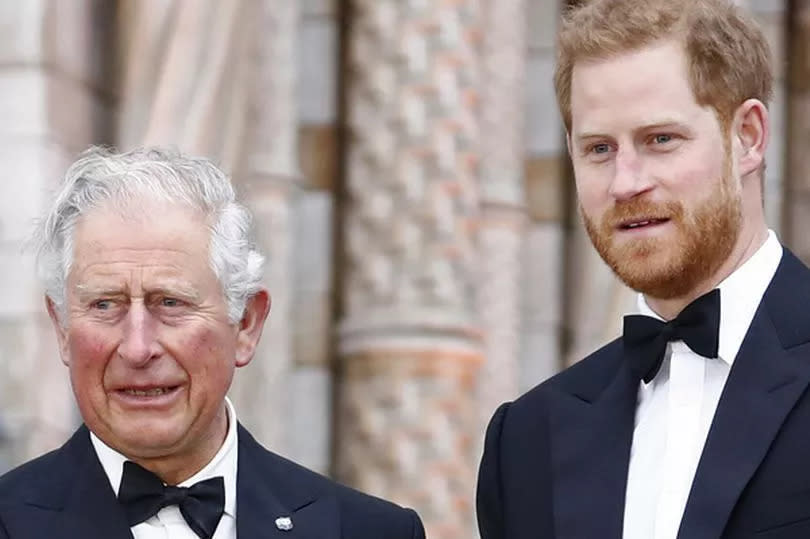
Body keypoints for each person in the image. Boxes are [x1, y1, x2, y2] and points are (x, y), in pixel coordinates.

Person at [477, 0, 810, 538]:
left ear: (747, 136)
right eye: (599, 148)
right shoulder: (526, 441)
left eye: (660, 140)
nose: (625, 183)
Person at [0, 146, 425, 539]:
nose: (137, 347)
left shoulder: (371, 531)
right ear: (61, 329)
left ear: (245, 324)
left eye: (170, 302)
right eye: (105, 305)